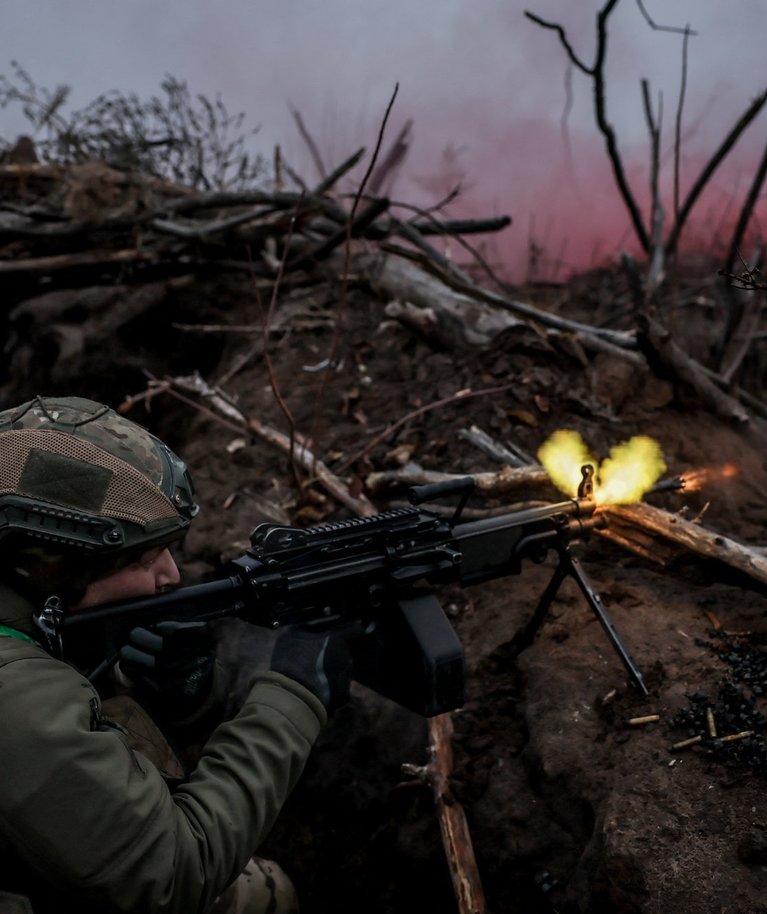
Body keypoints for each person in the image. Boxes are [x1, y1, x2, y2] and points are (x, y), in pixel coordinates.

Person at [0, 395, 352, 914]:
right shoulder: (14, 693)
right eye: (144, 558)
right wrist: (293, 698)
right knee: (257, 897)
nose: (171, 576)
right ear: (56, 567)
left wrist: (179, 696)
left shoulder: (27, 618)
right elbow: (173, 876)